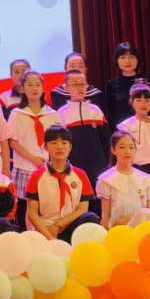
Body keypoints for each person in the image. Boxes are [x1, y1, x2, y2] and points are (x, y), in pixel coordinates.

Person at [25, 126, 102, 242]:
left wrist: (59, 225)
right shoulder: (37, 176)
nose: (59, 147)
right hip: (45, 229)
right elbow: (32, 213)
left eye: (64, 143)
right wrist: (50, 237)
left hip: (69, 227)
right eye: (54, 143)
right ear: (45, 147)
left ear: (70, 147)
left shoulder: (80, 175)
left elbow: (82, 209)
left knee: (91, 218)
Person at [6, 71, 59, 230]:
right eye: (30, 85)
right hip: (25, 167)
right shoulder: (17, 114)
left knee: (47, 206)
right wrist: (33, 159)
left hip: (48, 167)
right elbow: (12, 142)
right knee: (25, 207)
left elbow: (58, 140)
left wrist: (50, 160)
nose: (35, 88)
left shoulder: (52, 114)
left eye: (38, 84)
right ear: (22, 89)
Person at [55, 69, 110, 215]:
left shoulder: (96, 110)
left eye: (83, 84)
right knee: (77, 202)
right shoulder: (61, 114)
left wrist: (107, 163)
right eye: (75, 84)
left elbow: (106, 139)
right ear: (66, 88)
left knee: (97, 202)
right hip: (74, 166)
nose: (80, 88)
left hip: (97, 166)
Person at [116, 83, 150, 219]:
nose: (143, 104)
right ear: (131, 102)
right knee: (137, 203)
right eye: (139, 100)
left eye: (147, 100)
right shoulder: (126, 127)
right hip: (134, 169)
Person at [96, 131, 150, 229]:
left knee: (146, 213)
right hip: (119, 229)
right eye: (122, 147)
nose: (127, 151)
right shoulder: (106, 179)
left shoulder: (145, 179)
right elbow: (105, 215)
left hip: (142, 227)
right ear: (113, 150)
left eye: (131, 147)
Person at [105, 43, 150, 125]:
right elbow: (111, 114)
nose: (127, 61)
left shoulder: (148, 81)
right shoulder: (111, 85)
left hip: (147, 127)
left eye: (131, 57)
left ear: (137, 59)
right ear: (116, 60)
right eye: (122, 57)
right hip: (122, 130)